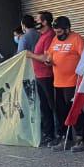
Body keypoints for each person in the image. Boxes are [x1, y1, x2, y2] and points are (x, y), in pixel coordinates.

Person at [28, 16, 84, 150]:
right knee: (61, 112)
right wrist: (48, 61)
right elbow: (49, 55)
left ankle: (81, 139)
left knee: (75, 110)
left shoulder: (76, 39)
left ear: (67, 29)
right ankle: (65, 138)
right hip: (58, 83)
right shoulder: (55, 39)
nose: (57, 34)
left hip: (72, 82)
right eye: (55, 32)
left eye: (60, 32)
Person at [30, 11, 56, 148]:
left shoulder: (50, 35)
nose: (35, 22)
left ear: (45, 22)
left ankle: (58, 134)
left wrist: (31, 55)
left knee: (52, 106)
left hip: (47, 76)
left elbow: (46, 58)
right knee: (44, 107)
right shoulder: (41, 36)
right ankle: (48, 134)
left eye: (37, 20)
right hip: (39, 75)